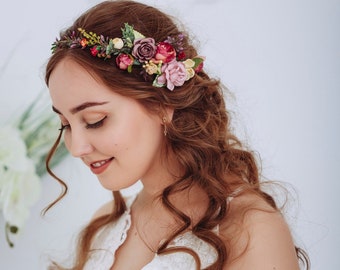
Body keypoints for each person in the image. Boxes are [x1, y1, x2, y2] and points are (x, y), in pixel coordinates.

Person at [44, 0, 309, 269]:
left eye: (95, 121)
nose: (76, 148)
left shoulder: (249, 230)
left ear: (161, 104)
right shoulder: (104, 228)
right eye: (65, 124)